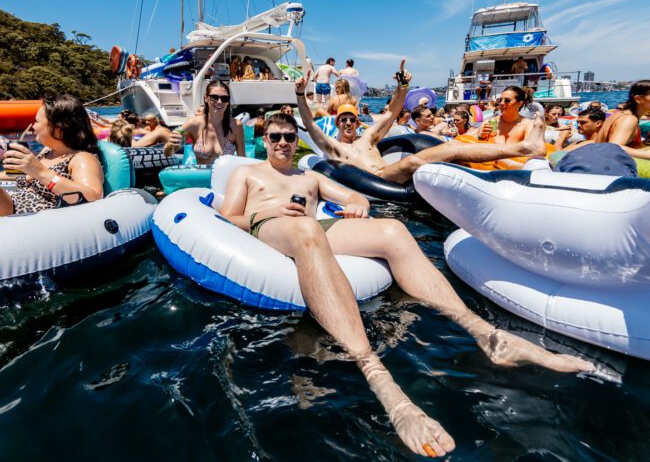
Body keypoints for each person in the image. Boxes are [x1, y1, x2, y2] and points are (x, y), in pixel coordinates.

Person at [220, 112, 593, 457]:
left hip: (316, 227)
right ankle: (379, 378)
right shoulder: (248, 174)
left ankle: (486, 334)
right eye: (275, 137)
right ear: (264, 139)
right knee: (305, 228)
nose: (283, 142)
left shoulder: (309, 178)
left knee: (394, 230)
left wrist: (358, 204)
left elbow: (350, 194)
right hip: (268, 226)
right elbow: (228, 216)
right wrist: (264, 211)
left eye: (288, 136)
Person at [295, 64, 548, 185]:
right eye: (344, 120)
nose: (348, 122)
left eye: (352, 118)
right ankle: (525, 149)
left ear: (357, 120)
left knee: (453, 149)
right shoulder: (336, 148)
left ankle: (525, 149)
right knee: (417, 161)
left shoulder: (367, 138)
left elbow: (393, 112)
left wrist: (402, 86)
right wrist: (299, 96)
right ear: (338, 123)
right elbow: (311, 125)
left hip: (391, 173)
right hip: (380, 178)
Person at [0, 95, 104, 216]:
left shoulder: (82, 159)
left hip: (35, 221)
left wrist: (40, 172)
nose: (33, 127)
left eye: (37, 122)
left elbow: (93, 198)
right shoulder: (48, 151)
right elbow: (28, 176)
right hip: (14, 207)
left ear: (57, 129)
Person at [165, 81, 245, 163]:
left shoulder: (236, 126)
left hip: (226, 175)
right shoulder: (193, 124)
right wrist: (171, 144)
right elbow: (168, 153)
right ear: (206, 98)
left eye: (224, 98)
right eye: (214, 97)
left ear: (228, 102)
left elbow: (242, 160)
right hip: (201, 175)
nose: (219, 102)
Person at [594, 80, 650, 160]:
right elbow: (613, 148)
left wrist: (644, 143)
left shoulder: (619, 115)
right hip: (608, 168)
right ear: (638, 99)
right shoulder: (629, 119)